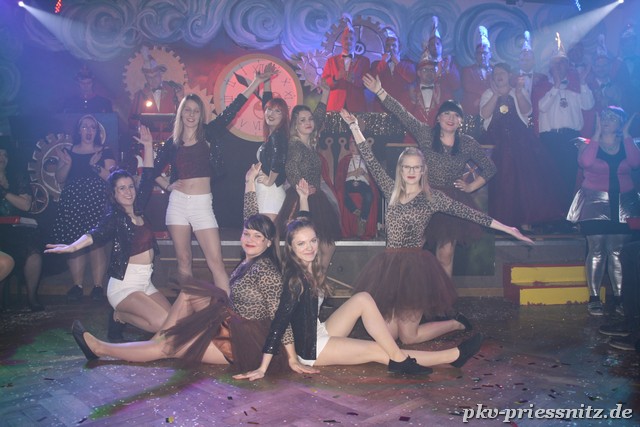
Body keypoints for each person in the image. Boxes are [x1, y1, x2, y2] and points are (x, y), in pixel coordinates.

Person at [67, 168, 293, 374]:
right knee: (188, 294)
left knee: (170, 346)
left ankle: (102, 348)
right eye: (246, 234)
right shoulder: (252, 256)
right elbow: (251, 218)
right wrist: (249, 183)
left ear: (268, 242)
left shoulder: (266, 271)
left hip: (242, 346)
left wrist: (290, 359)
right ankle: (154, 345)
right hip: (231, 323)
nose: (250, 239)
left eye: (257, 237)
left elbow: (281, 318)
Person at [339, 107, 534, 345]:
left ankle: (455, 324)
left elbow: (472, 214)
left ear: (423, 170)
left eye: (416, 167)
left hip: (414, 269)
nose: (411, 171)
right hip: (388, 268)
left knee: (408, 338)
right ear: (400, 169)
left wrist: (509, 229)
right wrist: (354, 126)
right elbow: (369, 157)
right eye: (407, 167)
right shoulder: (390, 190)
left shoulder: (433, 199)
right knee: (388, 336)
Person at [234, 211, 485, 381]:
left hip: (319, 330)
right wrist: (267, 366)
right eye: (301, 244)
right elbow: (279, 323)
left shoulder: (309, 268)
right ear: (291, 248)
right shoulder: (294, 279)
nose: (309, 247)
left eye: (312, 241)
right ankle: (452, 356)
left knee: (363, 298)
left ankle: (398, 356)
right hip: (312, 350)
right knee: (379, 350)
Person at [153, 69, 275, 290]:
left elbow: (232, 110)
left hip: (202, 204)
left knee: (215, 261)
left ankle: (229, 307)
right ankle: (186, 307)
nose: (191, 115)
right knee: (184, 260)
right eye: (187, 110)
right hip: (178, 204)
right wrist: (167, 185)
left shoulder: (208, 133)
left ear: (201, 114)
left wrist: (256, 82)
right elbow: (152, 170)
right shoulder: (173, 143)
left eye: (196, 111)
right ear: (181, 113)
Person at [365, 74, 496, 278]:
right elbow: (403, 114)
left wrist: (471, 187)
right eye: (447, 114)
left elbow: (489, 168)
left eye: (456, 115)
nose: (451, 118)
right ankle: (408, 292)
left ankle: (443, 298)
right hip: (423, 197)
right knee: (412, 250)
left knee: (445, 255)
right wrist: (380, 91)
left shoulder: (467, 143)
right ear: (438, 118)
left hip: (449, 202)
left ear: (461, 121)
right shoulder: (426, 134)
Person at [46, 127, 171, 340]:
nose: (128, 191)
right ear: (113, 193)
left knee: (172, 324)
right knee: (159, 323)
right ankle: (119, 315)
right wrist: (72, 247)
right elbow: (95, 233)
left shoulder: (139, 207)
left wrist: (149, 146)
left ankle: (125, 319)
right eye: (121, 188)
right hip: (124, 286)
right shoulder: (115, 217)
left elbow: (148, 176)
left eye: (130, 186)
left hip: (145, 282)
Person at [567, 109, 640, 316]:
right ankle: (594, 298)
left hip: (624, 204)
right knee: (597, 249)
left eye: (612, 118)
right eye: (604, 117)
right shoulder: (587, 144)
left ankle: (620, 298)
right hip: (595, 202)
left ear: (621, 124)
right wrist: (597, 135)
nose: (607, 120)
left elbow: (635, 163)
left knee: (617, 251)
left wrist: (627, 136)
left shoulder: (629, 144)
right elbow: (585, 163)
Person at [479, 63, 564, 228]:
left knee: (525, 183)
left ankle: (525, 220)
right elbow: (484, 114)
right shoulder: (488, 93)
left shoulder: (518, 91)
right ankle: (502, 222)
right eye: (496, 74)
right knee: (501, 182)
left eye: (502, 73)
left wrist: (518, 92)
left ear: (509, 75)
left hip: (521, 143)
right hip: (496, 145)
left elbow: (527, 111)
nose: (499, 76)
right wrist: (495, 95)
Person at [276, 83, 341, 272]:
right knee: (307, 247)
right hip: (302, 198)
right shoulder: (295, 145)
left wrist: (326, 93)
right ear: (295, 125)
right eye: (302, 120)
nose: (308, 122)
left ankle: (316, 282)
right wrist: (301, 187)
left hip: (315, 197)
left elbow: (319, 117)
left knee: (325, 245)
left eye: (309, 119)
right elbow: (291, 168)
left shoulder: (308, 143)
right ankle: (306, 282)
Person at [53, 114, 116, 302]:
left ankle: (97, 286)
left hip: (96, 201)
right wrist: (68, 163)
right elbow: (60, 178)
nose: (89, 130)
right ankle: (77, 285)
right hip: (73, 201)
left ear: (97, 131)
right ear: (79, 130)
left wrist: (94, 166)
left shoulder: (104, 151)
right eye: (85, 126)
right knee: (75, 243)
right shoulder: (68, 151)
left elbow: (112, 178)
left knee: (95, 242)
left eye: (92, 127)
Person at [538, 33, 594, 213]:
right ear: (550, 66)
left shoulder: (576, 85)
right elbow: (542, 107)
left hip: (570, 137)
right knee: (550, 177)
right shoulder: (543, 85)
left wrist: (583, 82)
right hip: (550, 138)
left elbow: (588, 105)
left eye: (563, 63)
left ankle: (566, 216)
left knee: (569, 177)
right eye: (556, 63)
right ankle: (550, 216)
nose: (559, 67)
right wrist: (555, 86)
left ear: (568, 66)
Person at [0, 138, 44, 311]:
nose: (2, 158)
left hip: (15, 228)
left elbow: (26, 205)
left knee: (33, 251)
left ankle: (32, 297)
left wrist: (4, 193)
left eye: (5, 155)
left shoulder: (16, 176)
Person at [255, 64, 289, 221]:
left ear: (284, 116)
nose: (271, 113)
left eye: (277, 111)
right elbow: (266, 103)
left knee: (268, 232)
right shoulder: (274, 134)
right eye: (269, 110)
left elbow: (279, 159)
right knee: (268, 233)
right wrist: (267, 81)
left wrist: (269, 181)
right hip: (269, 191)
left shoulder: (277, 135)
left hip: (271, 192)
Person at [322, 18, 370, 112]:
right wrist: (336, 78)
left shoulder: (364, 61)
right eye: (345, 38)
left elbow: (367, 85)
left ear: (355, 42)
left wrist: (354, 80)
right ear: (341, 41)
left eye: (351, 39)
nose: (348, 41)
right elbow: (324, 84)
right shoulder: (331, 61)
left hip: (356, 107)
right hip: (335, 107)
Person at [334, 139, 379, 239]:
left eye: (355, 144)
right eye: (351, 144)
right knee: (341, 193)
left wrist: (363, 173)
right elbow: (340, 178)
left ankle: (362, 220)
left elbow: (372, 180)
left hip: (363, 184)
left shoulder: (367, 160)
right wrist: (353, 173)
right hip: (348, 183)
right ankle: (357, 211)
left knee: (369, 195)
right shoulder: (345, 160)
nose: (352, 147)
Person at [369, 28, 415, 112]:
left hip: (402, 108)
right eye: (388, 45)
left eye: (394, 45)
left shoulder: (408, 64)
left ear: (399, 47)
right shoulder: (376, 64)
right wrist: (383, 62)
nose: (390, 48)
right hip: (381, 107)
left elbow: (411, 78)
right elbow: (372, 82)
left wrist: (398, 63)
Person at [461, 25, 492, 140]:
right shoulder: (467, 70)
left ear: (490, 54)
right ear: (475, 55)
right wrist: (488, 94)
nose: (482, 56)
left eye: (485, 53)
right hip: (471, 115)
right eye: (479, 53)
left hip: (490, 115)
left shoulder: (496, 72)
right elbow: (468, 86)